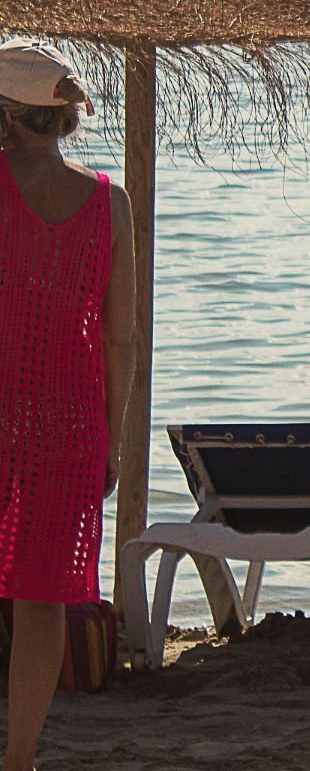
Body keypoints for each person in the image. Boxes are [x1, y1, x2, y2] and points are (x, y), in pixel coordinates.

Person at [0, 40, 133, 771]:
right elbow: (121, 339)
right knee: (40, 597)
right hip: (71, 423)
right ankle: (20, 757)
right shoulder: (108, 201)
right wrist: (111, 440)